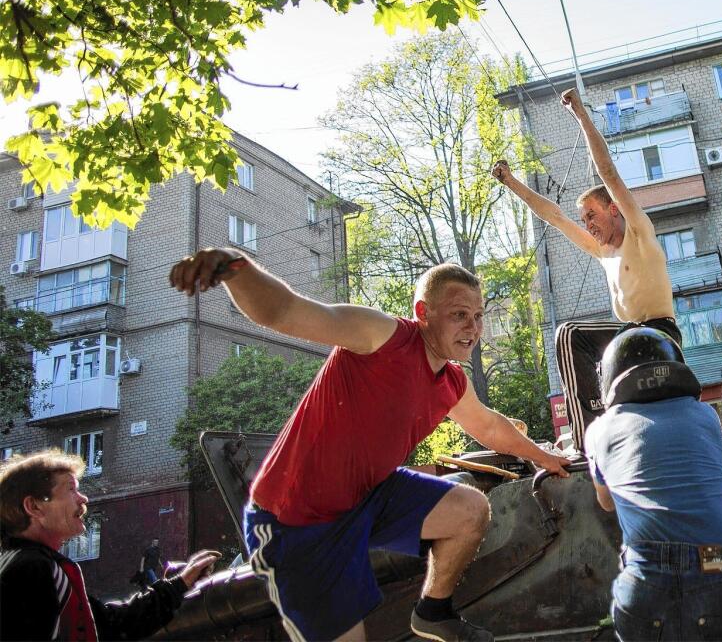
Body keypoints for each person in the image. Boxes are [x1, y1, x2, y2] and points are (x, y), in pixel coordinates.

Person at [168, 251, 569, 642]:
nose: (473, 327)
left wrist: (545, 457)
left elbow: (489, 426)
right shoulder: (380, 336)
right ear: (423, 312)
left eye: (478, 316)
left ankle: (433, 611)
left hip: (366, 497)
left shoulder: (451, 381)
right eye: (460, 314)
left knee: (470, 510)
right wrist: (235, 265)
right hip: (296, 523)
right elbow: (284, 310)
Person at [492, 88, 680, 454]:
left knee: (570, 334)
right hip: (627, 337)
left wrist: (580, 114)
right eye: (585, 220)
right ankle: (606, 421)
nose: (588, 225)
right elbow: (555, 216)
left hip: (659, 334)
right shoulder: (601, 250)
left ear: (613, 209)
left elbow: (607, 171)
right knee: (576, 343)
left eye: (591, 215)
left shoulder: (639, 233)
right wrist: (511, 182)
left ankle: (586, 440)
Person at [585, 328, 722, 641]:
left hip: (646, 572)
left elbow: (606, 501)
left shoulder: (599, 431)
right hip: (720, 561)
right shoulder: (706, 415)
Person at [0, 450, 219, 641]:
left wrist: (180, 583)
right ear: (34, 506)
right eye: (71, 489)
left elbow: (110, 624)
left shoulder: (28, 562)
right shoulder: (31, 568)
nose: (83, 498)